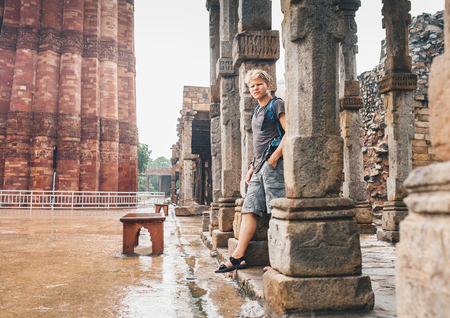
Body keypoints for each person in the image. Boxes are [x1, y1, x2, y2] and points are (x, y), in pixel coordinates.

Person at [215, 69, 286, 273]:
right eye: (251, 86)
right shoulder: (257, 110)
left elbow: (288, 132)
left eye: (258, 84)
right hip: (259, 166)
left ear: (268, 85)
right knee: (249, 209)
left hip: (274, 165)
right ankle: (238, 256)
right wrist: (252, 167)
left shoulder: (276, 104)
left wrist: (275, 156)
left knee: (276, 212)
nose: (255, 88)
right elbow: (259, 143)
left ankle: (279, 263)